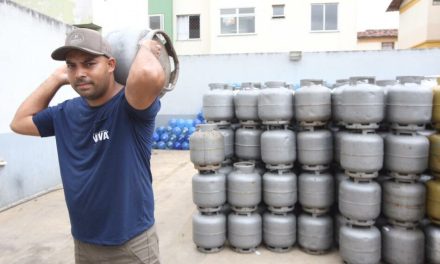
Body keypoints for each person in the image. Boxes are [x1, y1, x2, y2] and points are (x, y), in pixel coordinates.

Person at [10, 28, 165, 263]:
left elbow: (147, 74)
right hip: (84, 243)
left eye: (89, 64)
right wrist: (56, 78)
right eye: (72, 66)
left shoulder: (130, 106)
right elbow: (19, 122)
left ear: (111, 65)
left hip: (130, 245)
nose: (79, 73)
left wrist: (144, 47)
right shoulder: (66, 112)